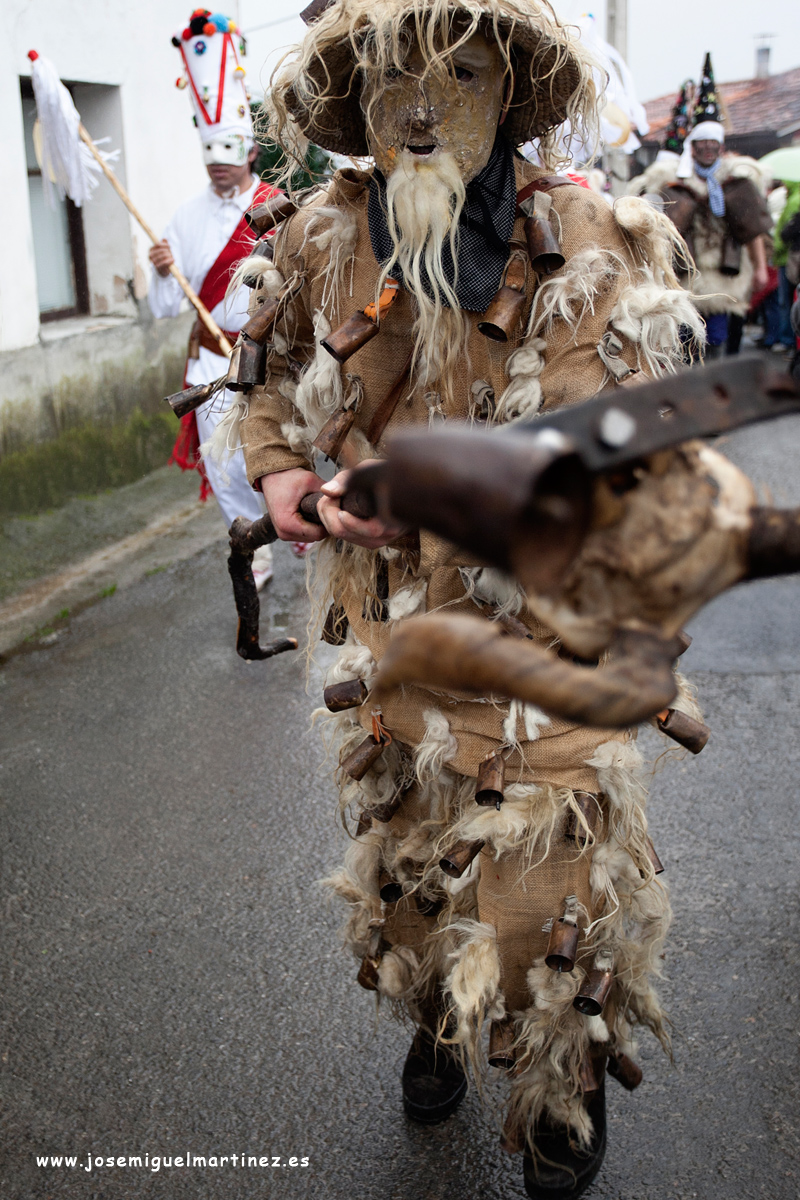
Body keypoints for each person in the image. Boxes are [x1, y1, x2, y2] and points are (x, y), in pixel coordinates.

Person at [235, 1, 703, 1195]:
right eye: (394, 79)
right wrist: (281, 468)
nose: (422, 111)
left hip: (547, 646)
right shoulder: (320, 237)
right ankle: (435, 1024)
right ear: (356, 101)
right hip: (391, 643)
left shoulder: (592, 242)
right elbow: (269, 372)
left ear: (510, 91)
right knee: (406, 865)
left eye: (460, 76)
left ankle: (558, 1092)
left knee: (552, 891)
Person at [148, 7, 277, 587]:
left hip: (266, 353)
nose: (218, 168)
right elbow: (164, 306)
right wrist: (160, 272)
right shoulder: (184, 215)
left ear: (248, 151)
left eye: (228, 154)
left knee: (274, 448)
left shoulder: (277, 206)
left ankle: (294, 521)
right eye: (209, 156)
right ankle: (256, 547)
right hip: (209, 360)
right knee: (224, 464)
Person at [629, 54, 771, 358]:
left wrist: (760, 267)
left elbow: (752, 230)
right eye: (701, 143)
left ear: (720, 146)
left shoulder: (736, 180)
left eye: (712, 143)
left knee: (715, 338)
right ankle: (688, 382)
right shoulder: (673, 179)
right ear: (692, 147)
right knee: (682, 339)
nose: (707, 148)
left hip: (724, 274)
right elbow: (654, 227)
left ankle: (713, 382)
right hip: (683, 274)